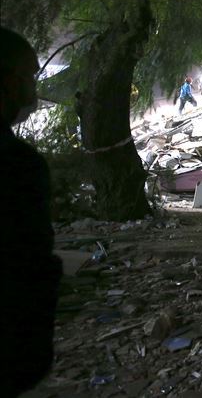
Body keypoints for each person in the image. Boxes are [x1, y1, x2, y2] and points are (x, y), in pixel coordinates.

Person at [0, 27, 63, 396]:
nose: (33, 91)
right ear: (10, 81)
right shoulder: (16, 164)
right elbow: (27, 261)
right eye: (30, 77)